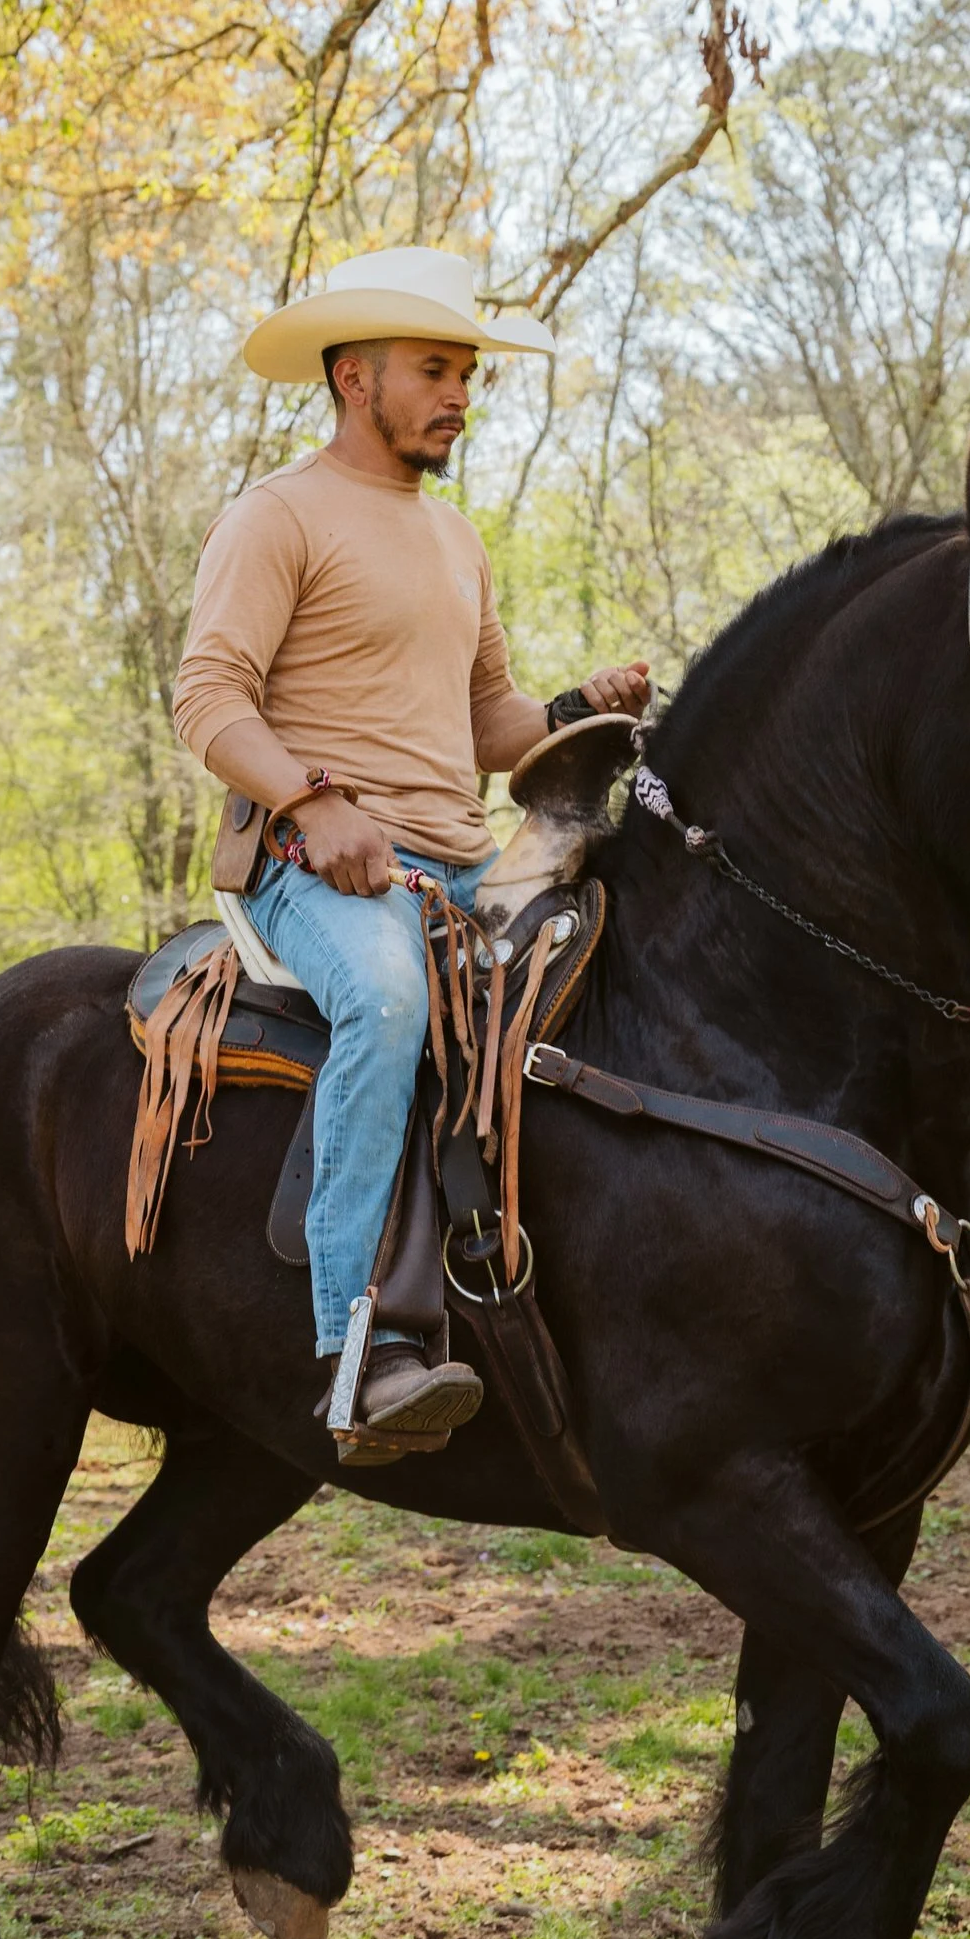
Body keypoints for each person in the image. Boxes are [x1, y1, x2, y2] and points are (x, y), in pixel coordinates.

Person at [172, 247, 648, 1456]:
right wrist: (315, 804)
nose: (458, 396)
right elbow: (207, 701)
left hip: (463, 860)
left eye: (465, 374)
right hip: (312, 866)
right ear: (352, 378)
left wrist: (568, 708)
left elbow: (485, 733)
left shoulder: (456, 540)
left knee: (636, 935)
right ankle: (357, 1348)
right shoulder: (274, 516)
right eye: (434, 371)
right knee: (386, 1004)